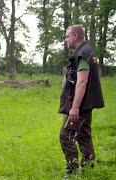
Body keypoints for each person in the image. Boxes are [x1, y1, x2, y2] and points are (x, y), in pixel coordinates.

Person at [58, 24, 104, 177]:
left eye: (67, 36)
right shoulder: (88, 52)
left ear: (76, 36)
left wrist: (75, 108)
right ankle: (89, 170)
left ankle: (72, 172)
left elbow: (82, 81)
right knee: (84, 135)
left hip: (81, 105)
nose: (65, 40)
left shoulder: (82, 54)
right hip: (87, 103)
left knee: (65, 136)